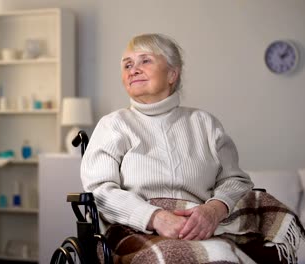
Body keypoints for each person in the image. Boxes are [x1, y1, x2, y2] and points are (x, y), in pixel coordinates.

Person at [80, 33, 253, 241]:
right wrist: (155, 217)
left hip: (203, 229)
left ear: (172, 74)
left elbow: (235, 180)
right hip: (134, 230)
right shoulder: (113, 125)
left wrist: (213, 210)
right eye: (127, 65)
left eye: (145, 60)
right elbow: (99, 191)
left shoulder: (205, 123)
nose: (133, 70)